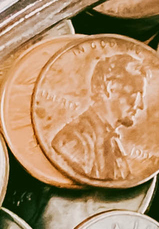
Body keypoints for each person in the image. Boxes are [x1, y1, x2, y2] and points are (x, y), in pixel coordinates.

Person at [48, 49, 151, 183]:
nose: (141, 105)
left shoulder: (113, 144)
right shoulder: (71, 140)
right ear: (110, 87)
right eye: (136, 94)